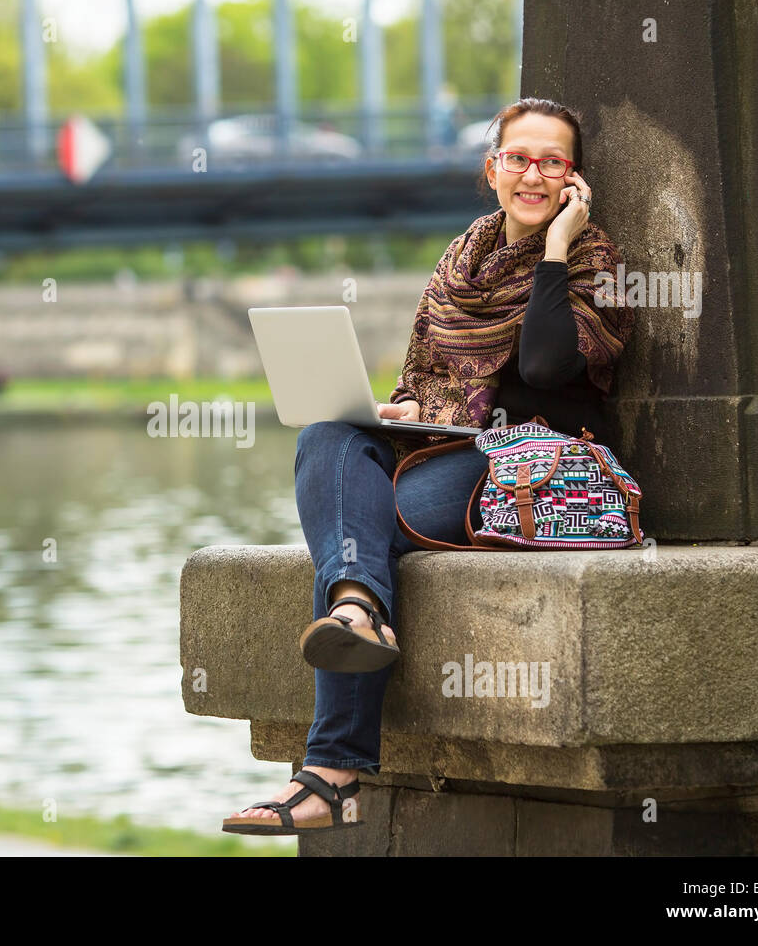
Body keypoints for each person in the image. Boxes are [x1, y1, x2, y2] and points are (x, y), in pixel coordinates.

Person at [223, 97, 635, 835]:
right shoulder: (462, 258)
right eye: (518, 158)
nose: (533, 174)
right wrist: (410, 412)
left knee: (387, 516)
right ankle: (357, 608)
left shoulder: (596, 262)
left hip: (532, 462)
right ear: (493, 169)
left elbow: (544, 367)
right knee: (329, 435)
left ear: (574, 180)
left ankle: (330, 773)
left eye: (553, 162)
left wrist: (556, 248)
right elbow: (425, 376)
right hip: (449, 443)